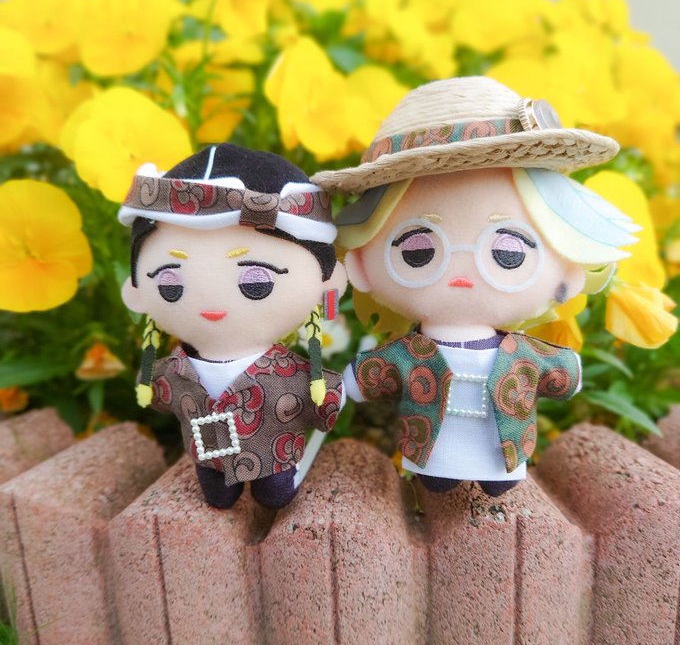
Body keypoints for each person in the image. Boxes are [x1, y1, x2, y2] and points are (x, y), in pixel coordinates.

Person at [312, 77, 637, 497]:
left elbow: (561, 374)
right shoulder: (409, 353)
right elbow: (372, 374)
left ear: (568, 271)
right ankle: (441, 474)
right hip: (431, 449)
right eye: (418, 251)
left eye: (507, 252)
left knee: (495, 479)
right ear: (360, 266)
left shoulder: (518, 354)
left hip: (503, 452)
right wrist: (339, 387)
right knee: (436, 479)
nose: (462, 272)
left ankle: (491, 477)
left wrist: (567, 374)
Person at [119, 143, 346, 509]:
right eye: (170, 284)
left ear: (328, 284)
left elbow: (319, 397)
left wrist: (332, 395)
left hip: (273, 453)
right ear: (135, 292)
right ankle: (224, 484)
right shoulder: (175, 371)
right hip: (208, 455)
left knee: (275, 493)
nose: (211, 303)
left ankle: (273, 484)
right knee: (218, 496)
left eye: (256, 281)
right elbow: (161, 392)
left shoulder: (289, 374)